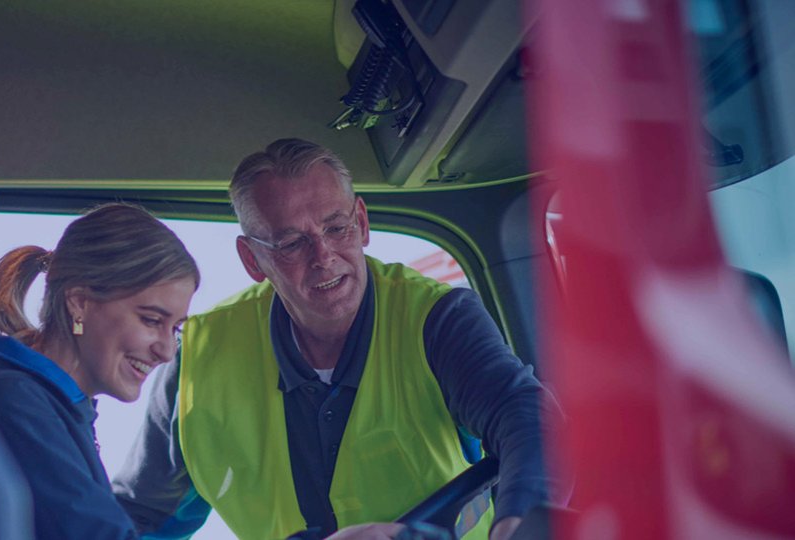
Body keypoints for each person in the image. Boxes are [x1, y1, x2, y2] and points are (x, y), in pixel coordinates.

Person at [113, 139, 560, 540]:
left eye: (336, 228)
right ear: (252, 260)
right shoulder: (196, 359)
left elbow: (527, 419)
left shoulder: (437, 319)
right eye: (291, 243)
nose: (323, 257)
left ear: (362, 223)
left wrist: (515, 530)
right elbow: (140, 518)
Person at [0, 203, 201, 539]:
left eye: (175, 329)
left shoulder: (52, 406)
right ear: (79, 302)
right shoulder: (15, 402)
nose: (167, 351)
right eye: (152, 321)